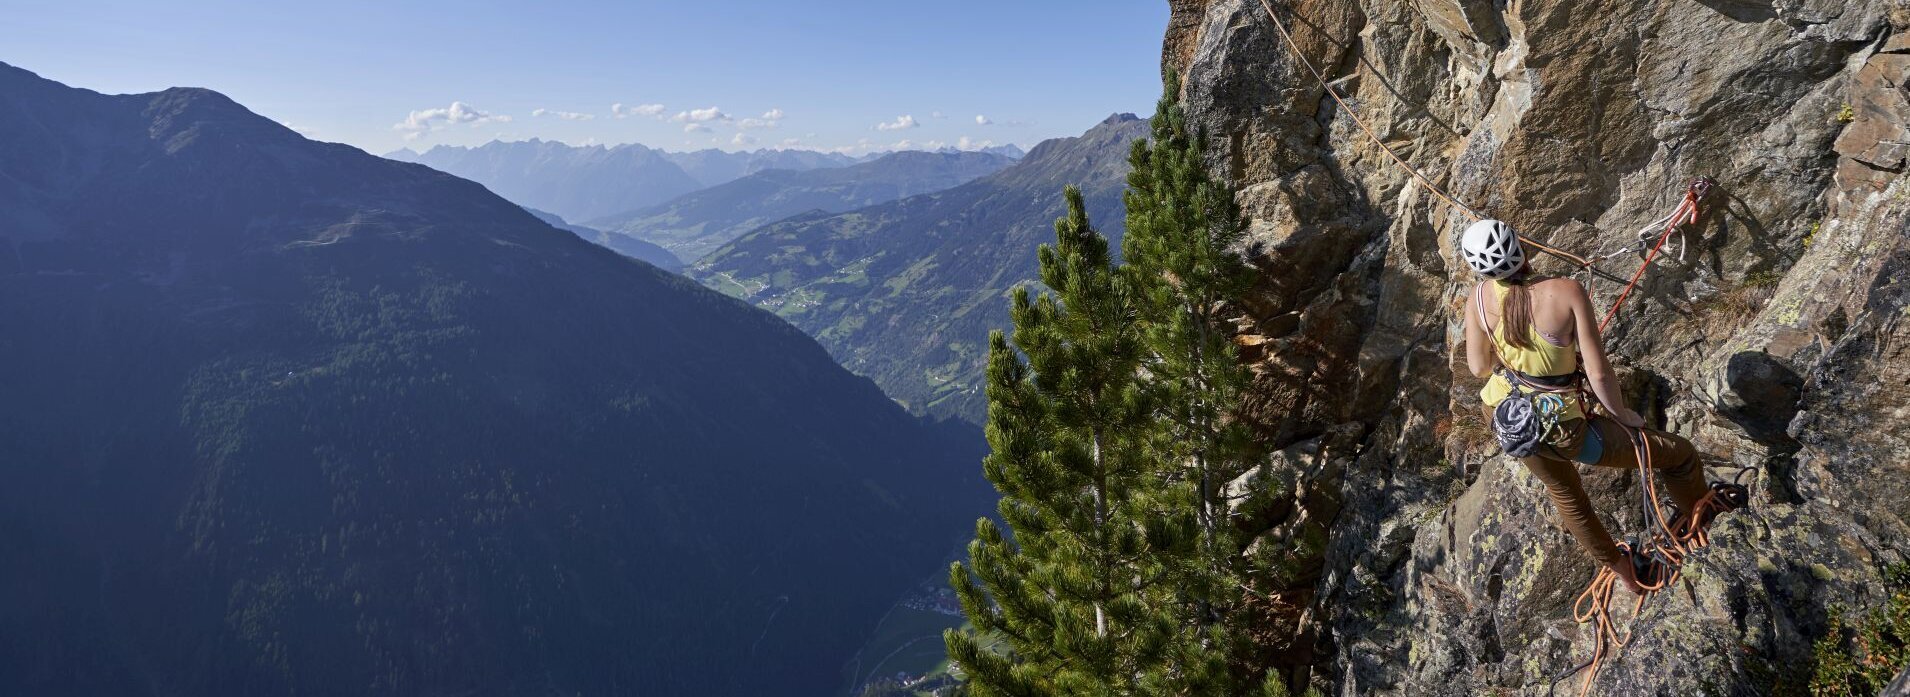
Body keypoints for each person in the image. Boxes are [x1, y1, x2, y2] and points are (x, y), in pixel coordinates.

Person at [1457, 219, 1708, 594]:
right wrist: (1623, 417)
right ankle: (1705, 526)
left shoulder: (1477, 300)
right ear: (1521, 247)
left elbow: (1478, 368)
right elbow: (1598, 372)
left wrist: (1518, 359)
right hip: (1564, 428)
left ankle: (1626, 572)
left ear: (1478, 268)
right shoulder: (1566, 291)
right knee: (1680, 456)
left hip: (1508, 419)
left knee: (1567, 496)